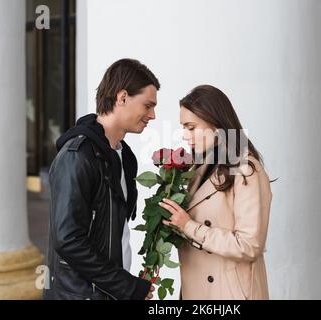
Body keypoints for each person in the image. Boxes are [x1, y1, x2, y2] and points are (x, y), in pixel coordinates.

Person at [43, 58, 159, 300]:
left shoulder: (125, 157)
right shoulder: (77, 157)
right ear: (122, 97)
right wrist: (126, 286)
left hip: (110, 293)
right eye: (147, 106)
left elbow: (114, 231)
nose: (153, 115)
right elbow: (69, 241)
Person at [159, 85, 272, 300]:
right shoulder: (201, 167)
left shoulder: (247, 169)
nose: (185, 136)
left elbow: (249, 246)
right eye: (183, 127)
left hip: (230, 294)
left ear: (216, 124)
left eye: (191, 127)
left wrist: (189, 226)